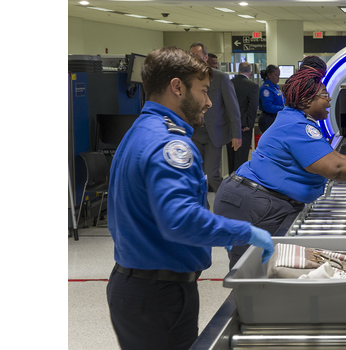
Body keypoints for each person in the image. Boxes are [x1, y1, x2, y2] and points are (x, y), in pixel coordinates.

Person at [105, 47, 274, 350]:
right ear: (177, 87)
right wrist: (243, 231)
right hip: (160, 294)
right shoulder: (171, 146)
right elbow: (179, 220)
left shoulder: (139, 131)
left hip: (135, 285)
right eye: (204, 90)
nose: (209, 102)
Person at [214, 56, 346, 268]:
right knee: (252, 269)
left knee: (262, 266)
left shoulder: (294, 119)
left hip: (256, 198)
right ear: (306, 101)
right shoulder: (296, 126)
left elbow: (334, 158)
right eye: (324, 95)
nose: (330, 100)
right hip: (252, 202)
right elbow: (335, 167)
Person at [189, 43, 241, 193]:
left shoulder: (220, 78)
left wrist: (236, 134)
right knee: (196, 174)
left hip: (214, 133)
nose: (193, 59)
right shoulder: (187, 78)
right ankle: (203, 207)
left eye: (196, 56)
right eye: (191, 55)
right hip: (194, 132)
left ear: (205, 58)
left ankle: (227, 201)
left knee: (212, 174)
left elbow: (233, 107)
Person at [227, 62, 260, 174]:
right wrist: (248, 125)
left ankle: (230, 182)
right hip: (243, 127)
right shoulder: (253, 86)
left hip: (230, 127)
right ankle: (239, 183)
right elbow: (252, 108)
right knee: (241, 158)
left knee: (231, 157)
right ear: (250, 72)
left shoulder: (229, 84)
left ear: (238, 71)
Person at [258, 64, 285, 133]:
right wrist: (283, 108)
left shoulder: (275, 87)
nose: (278, 78)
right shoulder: (266, 89)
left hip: (276, 117)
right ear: (269, 75)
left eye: (279, 75)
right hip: (269, 118)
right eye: (276, 75)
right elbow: (268, 106)